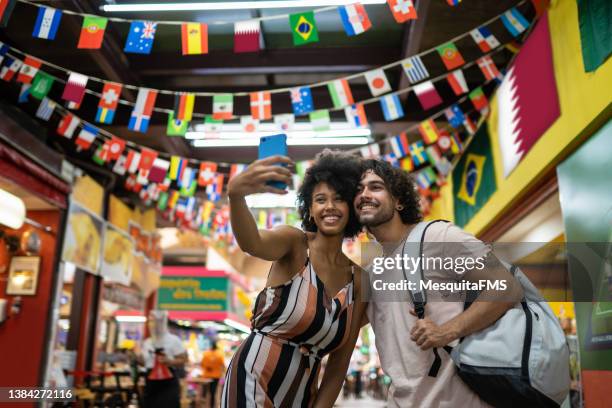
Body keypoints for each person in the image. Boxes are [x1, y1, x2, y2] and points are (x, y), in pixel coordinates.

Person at [347, 159, 523, 407]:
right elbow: (339, 326)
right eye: (358, 190)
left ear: (399, 200)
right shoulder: (372, 272)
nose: (364, 194)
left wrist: (446, 331)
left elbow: (507, 287)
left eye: (375, 187)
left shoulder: (437, 237)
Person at [221, 151, 368, 407]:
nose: (330, 206)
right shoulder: (294, 243)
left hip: (302, 395)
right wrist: (236, 195)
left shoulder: (360, 280)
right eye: (321, 199)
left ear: (352, 208)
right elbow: (251, 243)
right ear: (310, 209)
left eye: (339, 198)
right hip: (253, 377)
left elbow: (338, 365)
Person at [139, 310, 188, 408]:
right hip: (151, 381)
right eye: (150, 321)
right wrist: (136, 358)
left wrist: (170, 362)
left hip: (168, 381)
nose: (151, 324)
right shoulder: (147, 342)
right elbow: (144, 363)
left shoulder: (174, 340)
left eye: (154, 321)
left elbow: (184, 360)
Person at [201, 340, 225, 408]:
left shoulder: (206, 354)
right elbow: (222, 366)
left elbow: (202, 364)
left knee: (205, 392)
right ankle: (212, 405)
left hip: (206, 376)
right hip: (216, 376)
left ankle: (204, 405)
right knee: (213, 392)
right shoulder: (220, 354)